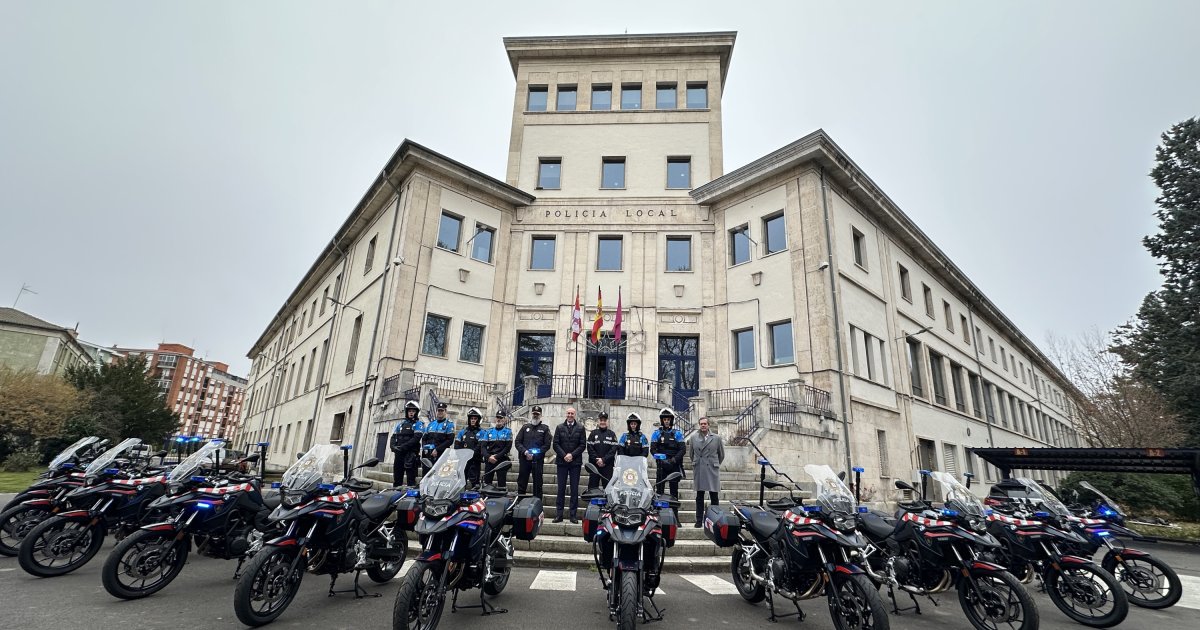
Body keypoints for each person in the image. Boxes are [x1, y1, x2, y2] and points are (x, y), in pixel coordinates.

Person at [687, 416, 725, 527]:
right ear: (699, 425)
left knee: (714, 495)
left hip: (712, 468)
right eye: (701, 424)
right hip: (699, 468)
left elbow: (721, 454)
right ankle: (699, 520)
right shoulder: (693, 437)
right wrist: (698, 463)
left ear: (708, 425)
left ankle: (715, 520)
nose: (703, 425)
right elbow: (691, 454)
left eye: (705, 423)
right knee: (699, 496)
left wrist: (715, 464)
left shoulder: (717, 438)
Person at [552, 407, 586, 523]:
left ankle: (573, 515)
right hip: (562, 462)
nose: (570, 415)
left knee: (574, 489)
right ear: (566, 414)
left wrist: (572, 455)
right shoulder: (559, 427)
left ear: (575, 415)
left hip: (575, 463)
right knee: (560, 489)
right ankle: (559, 514)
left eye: (572, 413)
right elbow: (555, 444)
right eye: (568, 413)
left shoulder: (581, 428)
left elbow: (582, 445)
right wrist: (564, 455)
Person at [515, 405, 551, 500]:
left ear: (540, 415)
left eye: (537, 414)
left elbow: (547, 445)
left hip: (537, 461)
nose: (535, 415)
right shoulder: (525, 427)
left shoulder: (545, 429)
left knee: (538, 483)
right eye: (534, 414)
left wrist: (536, 453)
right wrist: (525, 452)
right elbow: (517, 442)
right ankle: (520, 502)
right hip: (524, 459)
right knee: (522, 483)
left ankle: (538, 503)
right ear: (531, 414)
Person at [651, 408, 685, 497]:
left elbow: (682, 450)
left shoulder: (678, 434)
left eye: (668, 419)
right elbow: (653, 449)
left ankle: (674, 511)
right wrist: (661, 460)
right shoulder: (656, 433)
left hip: (674, 465)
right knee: (659, 491)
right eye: (664, 419)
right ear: (662, 420)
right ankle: (659, 510)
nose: (666, 421)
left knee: (674, 492)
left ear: (671, 420)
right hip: (661, 465)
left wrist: (673, 460)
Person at [389, 400, 424, 487]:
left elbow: (416, 438)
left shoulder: (418, 424)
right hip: (399, 454)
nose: (411, 413)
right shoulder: (400, 424)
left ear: (416, 412)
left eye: (413, 411)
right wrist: (393, 446)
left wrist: (402, 447)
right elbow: (393, 437)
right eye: (409, 411)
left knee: (411, 480)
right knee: (397, 478)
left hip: (411, 455)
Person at [586, 412, 618, 490]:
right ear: (598, 421)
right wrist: (597, 459)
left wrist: (603, 460)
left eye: (604, 420)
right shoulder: (593, 434)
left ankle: (608, 503)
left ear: (607, 421)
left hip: (607, 466)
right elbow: (590, 448)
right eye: (601, 420)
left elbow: (613, 450)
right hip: (594, 466)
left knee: (608, 489)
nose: (603, 422)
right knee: (592, 488)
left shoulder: (612, 434)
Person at [455, 407, 486, 488]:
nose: (472, 420)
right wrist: (460, 455)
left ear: (478, 420)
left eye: (475, 418)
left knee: (475, 483)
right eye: (471, 418)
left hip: (475, 461)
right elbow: (457, 445)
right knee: (461, 481)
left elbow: (480, 446)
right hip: (463, 461)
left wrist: (471, 454)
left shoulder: (482, 432)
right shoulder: (463, 432)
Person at [421, 402, 455, 474]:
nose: (440, 412)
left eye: (442, 410)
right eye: (438, 410)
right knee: (426, 474)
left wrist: (437, 449)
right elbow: (424, 438)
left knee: (438, 474)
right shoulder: (431, 424)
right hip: (428, 453)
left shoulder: (449, 424)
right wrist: (425, 448)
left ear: (445, 411)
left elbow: (450, 440)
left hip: (441, 454)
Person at [483, 410, 512, 488]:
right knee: (487, 483)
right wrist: (488, 456)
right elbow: (483, 447)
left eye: (501, 418)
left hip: (501, 459)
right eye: (497, 417)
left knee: (501, 484)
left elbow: (507, 448)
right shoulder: (489, 431)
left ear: (504, 419)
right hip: (489, 459)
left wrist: (496, 457)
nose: (498, 419)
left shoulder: (507, 432)